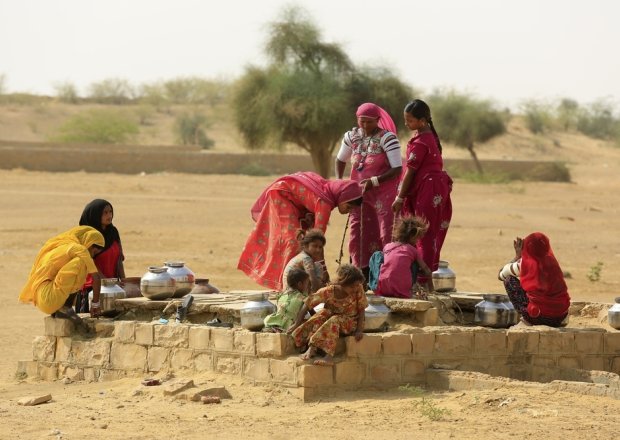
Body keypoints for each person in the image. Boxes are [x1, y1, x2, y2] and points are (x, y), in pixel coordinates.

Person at [238, 171, 363, 291]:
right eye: (349, 206)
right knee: (294, 242)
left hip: (294, 201)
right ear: (342, 197)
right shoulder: (324, 203)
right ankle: (288, 286)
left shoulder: (328, 193)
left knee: (303, 240)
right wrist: (324, 272)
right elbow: (316, 242)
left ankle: (298, 283)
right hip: (281, 195)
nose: (349, 211)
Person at [335, 103, 402, 277]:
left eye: (369, 122)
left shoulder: (388, 138)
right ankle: (359, 273)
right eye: (361, 121)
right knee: (358, 231)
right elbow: (340, 159)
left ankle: (387, 274)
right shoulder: (351, 137)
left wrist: (374, 181)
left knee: (385, 232)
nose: (365, 126)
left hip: (383, 194)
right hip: (359, 194)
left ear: (378, 120)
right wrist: (339, 182)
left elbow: (397, 169)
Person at [392, 99, 453, 280]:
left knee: (421, 234)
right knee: (427, 233)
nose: (406, 123)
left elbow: (410, 172)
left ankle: (421, 279)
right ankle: (420, 277)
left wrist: (400, 198)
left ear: (422, 120)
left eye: (409, 120)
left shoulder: (421, 142)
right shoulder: (429, 137)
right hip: (433, 190)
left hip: (427, 191)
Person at [287, 264, 367, 366]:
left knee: (335, 319)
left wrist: (359, 330)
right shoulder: (329, 291)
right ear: (342, 283)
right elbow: (308, 303)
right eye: (352, 286)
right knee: (323, 314)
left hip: (351, 322)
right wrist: (296, 324)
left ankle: (329, 356)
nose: (355, 288)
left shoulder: (358, 289)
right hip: (332, 321)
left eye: (357, 285)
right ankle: (311, 348)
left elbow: (362, 310)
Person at [18, 226, 104, 319]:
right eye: (94, 252)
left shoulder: (66, 246)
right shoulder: (80, 250)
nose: (92, 255)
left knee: (80, 263)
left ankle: (60, 309)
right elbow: (96, 277)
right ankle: (66, 308)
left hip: (43, 297)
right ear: (89, 243)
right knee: (82, 264)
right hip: (48, 298)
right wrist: (95, 304)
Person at [498, 233, 571, 327]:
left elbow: (501, 275)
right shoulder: (553, 264)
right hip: (560, 317)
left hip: (538, 316)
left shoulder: (524, 264)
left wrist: (517, 256)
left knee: (509, 280)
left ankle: (528, 319)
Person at [76, 199, 126, 313]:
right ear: (95, 215)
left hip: (113, 288)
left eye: (110, 212)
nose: (109, 215)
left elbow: (119, 260)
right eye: (105, 213)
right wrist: (107, 282)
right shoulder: (88, 236)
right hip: (92, 289)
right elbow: (91, 263)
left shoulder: (113, 232)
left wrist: (124, 282)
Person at [375, 216, 434, 298]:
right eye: (417, 239)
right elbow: (427, 271)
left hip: (384, 288)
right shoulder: (412, 249)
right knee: (414, 264)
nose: (417, 242)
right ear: (412, 236)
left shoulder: (387, 246)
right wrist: (431, 289)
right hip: (401, 289)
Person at [282, 229, 328, 294]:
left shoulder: (302, 256)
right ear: (306, 245)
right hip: (294, 294)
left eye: (320, 247)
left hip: (289, 293)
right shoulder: (306, 258)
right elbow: (313, 282)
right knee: (318, 266)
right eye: (315, 246)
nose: (318, 250)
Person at [264, 268, 311, 332]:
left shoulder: (281, 295)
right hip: (288, 327)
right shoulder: (303, 297)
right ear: (300, 284)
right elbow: (308, 311)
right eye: (306, 284)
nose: (307, 287)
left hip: (272, 322)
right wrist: (296, 324)